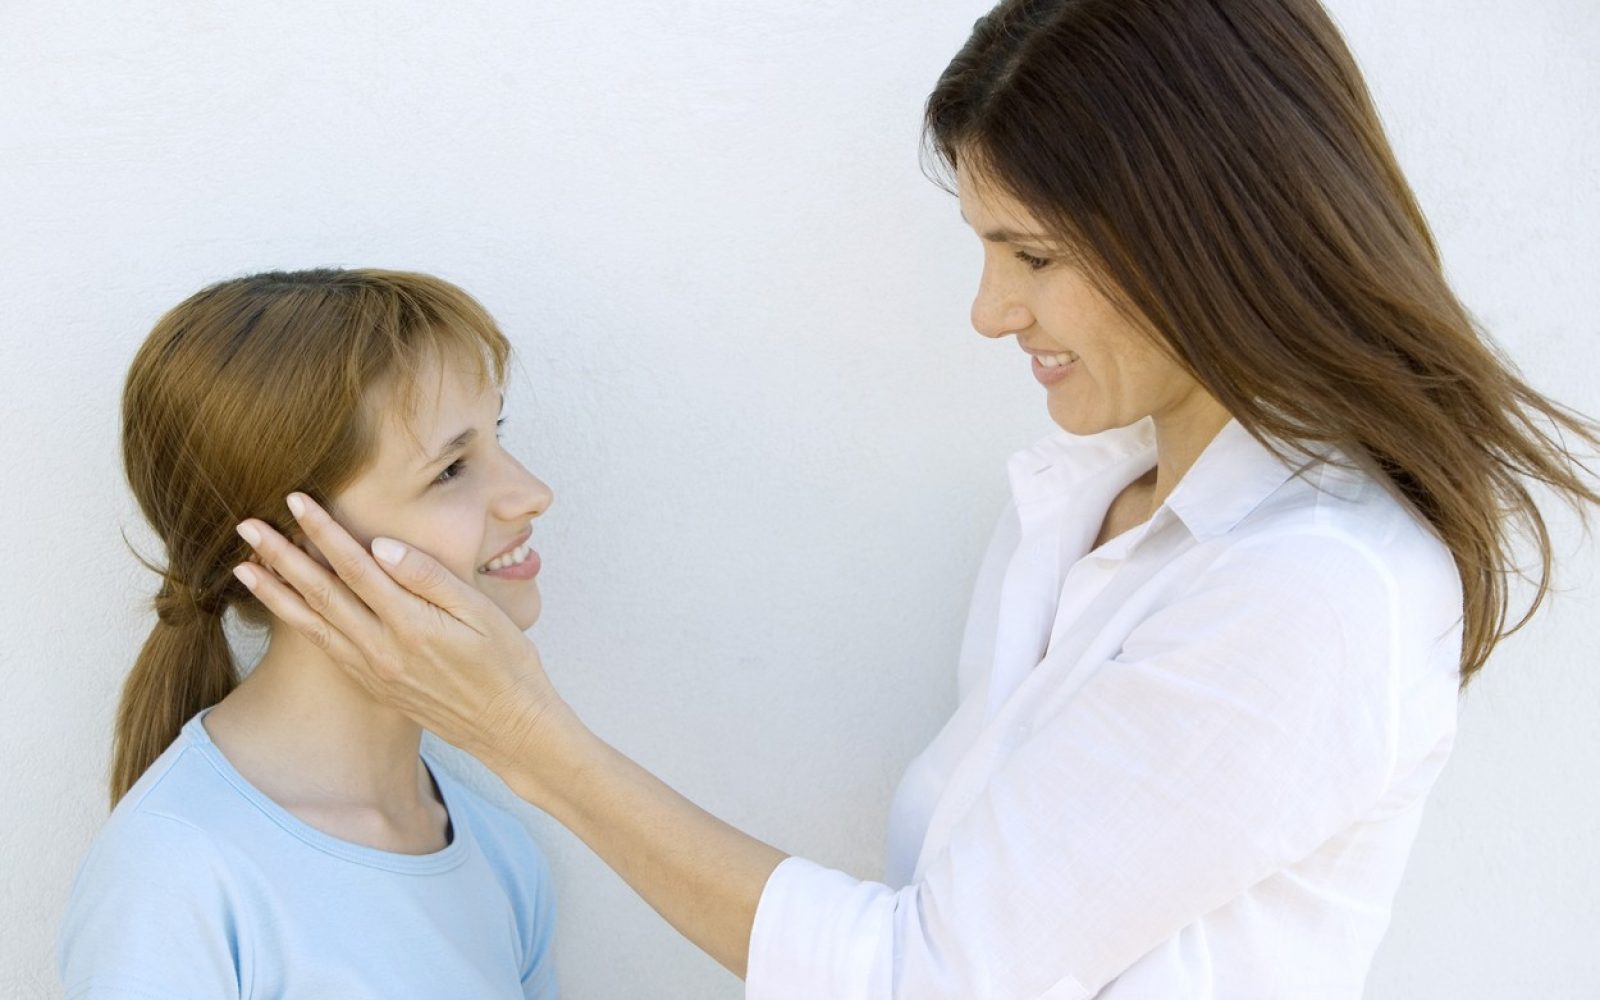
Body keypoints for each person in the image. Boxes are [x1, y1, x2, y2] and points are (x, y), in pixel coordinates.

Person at [229, 1, 1600, 997]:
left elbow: (926, 976)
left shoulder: (1316, 589)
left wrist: (531, 743)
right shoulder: (1085, 502)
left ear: (1211, 232)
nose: (991, 311)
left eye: (1032, 256)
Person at [58, 269, 560, 998]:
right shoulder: (177, 874)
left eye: (497, 435)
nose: (532, 494)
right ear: (291, 547)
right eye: (452, 468)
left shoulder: (502, 855)